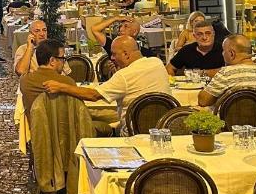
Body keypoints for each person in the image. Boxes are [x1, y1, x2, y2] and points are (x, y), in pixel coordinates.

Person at [42, 36, 170, 132]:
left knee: (84, 120)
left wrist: (60, 86)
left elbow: (93, 95)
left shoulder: (124, 76)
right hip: (163, 128)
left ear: (126, 54)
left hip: (132, 131)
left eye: (114, 54)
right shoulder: (157, 63)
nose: (112, 58)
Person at [197, 34, 256, 108]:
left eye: (223, 51)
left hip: (229, 119)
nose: (222, 54)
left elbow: (203, 101)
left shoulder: (228, 72)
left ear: (232, 54)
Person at [19, 39, 74, 117]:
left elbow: (21, 71)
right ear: (52, 61)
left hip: (36, 127)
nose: (64, 62)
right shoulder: (67, 82)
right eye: (62, 58)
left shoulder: (25, 81)